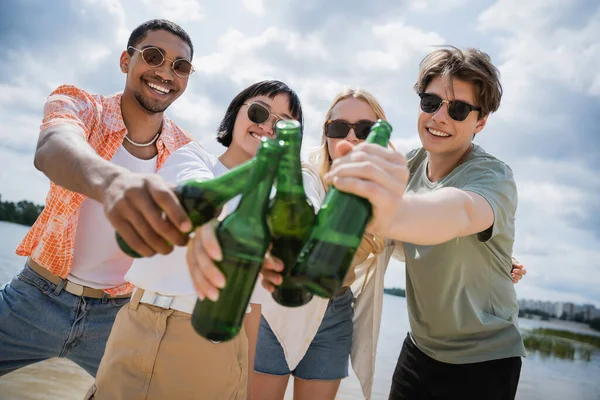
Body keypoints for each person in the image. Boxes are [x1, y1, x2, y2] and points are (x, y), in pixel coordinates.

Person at [187, 88, 527, 399]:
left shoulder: (388, 191)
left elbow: (425, 228)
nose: (350, 137)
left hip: (335, 312)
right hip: (280, 312)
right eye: (338, 128)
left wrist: (494, 261)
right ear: (326, 135)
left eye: (364, 130)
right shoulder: (307, 174)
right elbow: (305, 205)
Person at [324, 47, 526, 399]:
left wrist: (388, 214)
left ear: (480, 122)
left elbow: (459, 212)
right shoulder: (408, 166)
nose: (439, 118)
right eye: (431, 102)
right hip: (419, 349)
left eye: (459, 109)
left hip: (485, 362)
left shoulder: (494, 177)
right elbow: (399, 244)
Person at [0, 19, 195, 377]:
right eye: (153, 57)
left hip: (118, 316)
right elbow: (53, 147)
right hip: (36, 298)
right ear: (126, 61)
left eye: (180, 66)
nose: (166, 72)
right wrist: (113, 184)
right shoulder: (82, 105)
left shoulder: (185, 150)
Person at [87, 80, 304, 400]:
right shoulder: (194, 156)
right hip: (138, 323)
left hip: (210, 344)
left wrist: (242, 379)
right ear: (236, 113)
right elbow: (194, 191)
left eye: (283, 124)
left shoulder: (274, 207)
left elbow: (252, 304)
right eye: (259, 112)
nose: (267, 127)